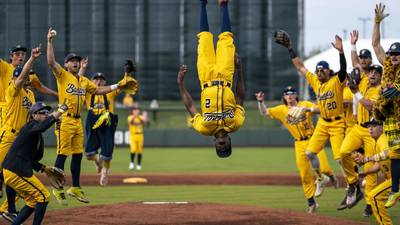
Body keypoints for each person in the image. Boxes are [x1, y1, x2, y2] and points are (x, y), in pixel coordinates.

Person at [46, 27, 135, 204]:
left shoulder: (84, 81)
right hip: (65, 119)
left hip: (78, 121)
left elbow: (99, 90)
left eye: (77, 61)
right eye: (72, 61)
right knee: (63, 154)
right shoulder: (62, 76)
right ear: (66, 65)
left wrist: (117, 86)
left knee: (78, 155)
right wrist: (49, 41)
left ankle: (76, 187)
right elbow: (50, 62)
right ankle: (57, 189)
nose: (75, 63)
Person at [276, 33, 347, 200]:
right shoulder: (315, 81)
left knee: (340, 158)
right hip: (323, 123)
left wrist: (341, 52)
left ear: (329, 71)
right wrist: (290, 49)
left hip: (338, 123)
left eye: (323, 70)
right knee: (309, 154)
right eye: (318, 70)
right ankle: (321, 179)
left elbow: (343, 70)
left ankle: (352, 186)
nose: (320, 72)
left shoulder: (336, 80)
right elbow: (300, 67)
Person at [178, 0, 245, 158]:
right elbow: (240, 97)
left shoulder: (204, 128)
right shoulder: (235, 124)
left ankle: (202, 3)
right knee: (227, 40)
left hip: (206, 78)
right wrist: (240, 69)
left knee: (204, 40)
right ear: (229, 141)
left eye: (219, 149)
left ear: (214, 144)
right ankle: (223, 4)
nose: (222, 146)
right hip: (226, 76)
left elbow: (190, 106)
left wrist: (180, 83)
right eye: (225, 148)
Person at [255, 86, 337, 213]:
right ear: (284, 97)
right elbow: (265, 112)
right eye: (287, 94)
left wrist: (309, 109)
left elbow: (320, 109)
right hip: (299, 143)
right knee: (304, 174)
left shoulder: (304, 104)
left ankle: (327, 176)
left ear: (296, 95)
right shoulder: (281, 110)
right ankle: (311, 203)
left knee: (325, 167)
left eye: (292, 93)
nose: (289, 96)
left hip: (313, 139)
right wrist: (260, 101)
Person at [2, 101, 68, 225]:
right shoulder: (30, 126)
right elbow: (42, 127)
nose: (46, 115)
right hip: (16, 170)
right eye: (43, 113)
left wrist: (44, 168)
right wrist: (58, 113)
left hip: (14, 170)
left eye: (47, 113)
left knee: (33, 201)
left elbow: (32, 158)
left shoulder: (35, 134)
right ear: (34, 116)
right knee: (44, 196)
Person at [0, 45, 43, 221]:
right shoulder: (13, 89)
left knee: (17, 174)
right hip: (8, 135)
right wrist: (31, 58)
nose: (26, 77)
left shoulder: (31, 95)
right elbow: (19, 78)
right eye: (23, 75)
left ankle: (8, 209)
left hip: (21, 139)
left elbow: (34, 118)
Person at [80, 59, 138, 186]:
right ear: (91, 81)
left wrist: (127, 73)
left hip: (107, 122)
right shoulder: (87, 91)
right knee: (89, 154)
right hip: (93, 120)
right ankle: (97, 162)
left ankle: (105, 171)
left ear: (105, 82)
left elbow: (123, 84)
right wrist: (82, 68)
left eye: (101, 79)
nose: (99, 81)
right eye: (96, 79)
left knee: (107, 154)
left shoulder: (110, 91)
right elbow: (78, 82)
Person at [339, 64, 382, 213]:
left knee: (370, 169)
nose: (372, 74)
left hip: (373, 131)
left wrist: (356, 93)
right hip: (358, 127)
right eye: (371, 71)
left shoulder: (381, 89)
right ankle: (352, 184)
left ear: (381, 76)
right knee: (343, 152)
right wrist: (351, 45)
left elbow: (370, 105)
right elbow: (356, 63)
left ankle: (370, 204)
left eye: (376, 72)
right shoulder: (364, 82)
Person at [372, 3, 400, 208]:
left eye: (397, 54)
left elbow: (392, 91)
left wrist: (384, 93)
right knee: (396, 154)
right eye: (391, 54)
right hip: (391, 117)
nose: (393, 57)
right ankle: (395, 190)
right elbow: (375, 44)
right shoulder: (389, 64)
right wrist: (376, 23)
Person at [352, 119, 393, 225]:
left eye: (374, 125)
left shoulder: (382, 138)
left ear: (381, 127)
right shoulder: (376, 142)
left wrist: (367, 159)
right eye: (369, 126)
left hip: (396, 180)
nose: (370, 128)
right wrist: (366, 173)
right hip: (393, 181)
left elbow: (387, 153)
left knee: (374, 197)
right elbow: (379, 164)